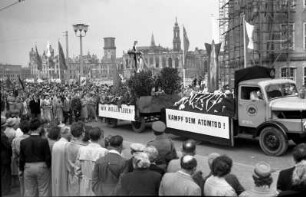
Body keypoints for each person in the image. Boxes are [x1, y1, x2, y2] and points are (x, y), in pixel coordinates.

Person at [19, 118, 51, 197]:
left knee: (30, 190)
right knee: (43, 189)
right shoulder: (44, 141)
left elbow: (21, 157)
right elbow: (47, 156)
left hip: (28, 166)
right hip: (42, 165)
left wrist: (21, 169)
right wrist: (48, 166)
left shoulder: (23, 142)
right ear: (39, 128)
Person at [75, 127, 108, 196]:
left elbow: (77, 170)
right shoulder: (104, 151)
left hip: (84, 183)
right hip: (98, 184)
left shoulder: (82, 149)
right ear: (100, 137)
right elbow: (106, 172)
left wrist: (84, 177)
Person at [65, 122, 87, 196]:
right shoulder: (82, 148)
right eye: (84, 130)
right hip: (79, 178)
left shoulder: (68, 145)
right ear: (82, 133)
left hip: (71, 175)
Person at [11, 120, 30, 197]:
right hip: (30, 163)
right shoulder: (32, 138)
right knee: (31, 186)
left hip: (20, 163)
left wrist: (17, 162)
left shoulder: (15, 140)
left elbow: (14, 155)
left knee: (22, 185)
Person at [52, 125, 71, 196]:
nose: (71, 134)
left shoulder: (56, 144)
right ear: (65, 134)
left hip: (56, 170)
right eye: (69, 133)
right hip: (65, 171)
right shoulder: (67, 145)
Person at [1, 116, 12, 195]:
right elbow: (8, 146)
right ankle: (5, 190)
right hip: (4, 158)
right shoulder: (3, 136)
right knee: (5, 174)